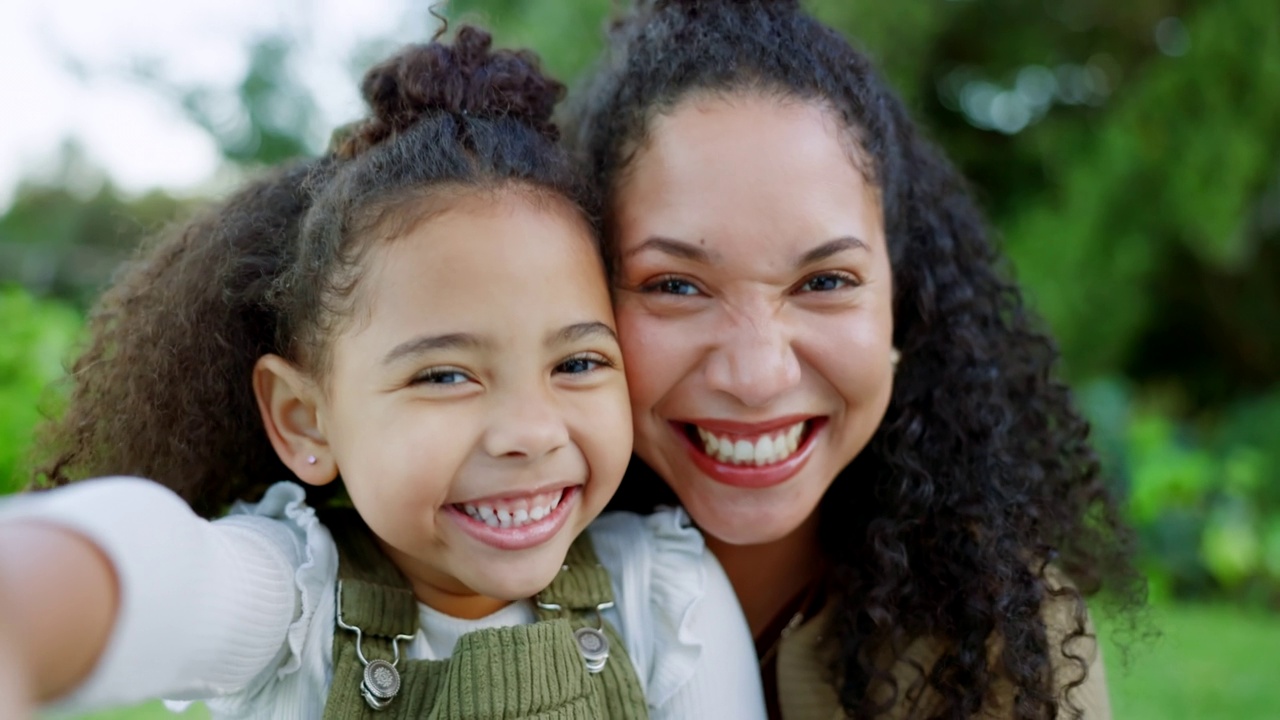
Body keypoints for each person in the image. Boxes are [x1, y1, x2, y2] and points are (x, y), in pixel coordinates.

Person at [0, 26, 764, 720]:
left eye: (578, 362)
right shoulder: (290, 607)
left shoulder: (665, 597)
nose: (531, 431)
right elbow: (156, 564)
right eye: (443, 376)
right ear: (306, 419)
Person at [569, 1, 1143, 718]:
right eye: (676, 286)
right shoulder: (467, 603)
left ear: (904, 305)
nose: (756, 377)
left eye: (825, 282)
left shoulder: (999, 633)